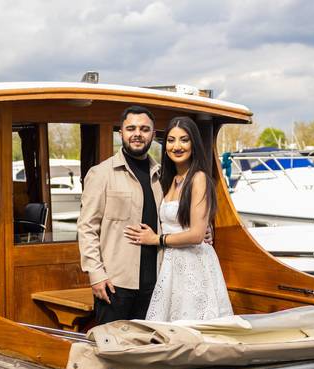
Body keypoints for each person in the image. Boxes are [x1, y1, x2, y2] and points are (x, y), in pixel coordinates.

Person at [123, 116, 233, 322]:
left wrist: (157, 239)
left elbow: (196, 235)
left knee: (191, 325)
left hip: (194, 265)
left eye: (184, 140)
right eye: (171, 140)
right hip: (171, 264)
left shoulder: (199, 178)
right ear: (165, 147)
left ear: (194, 144)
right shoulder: (169, 179)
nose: (177, 146)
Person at [77, 106, 163, 324]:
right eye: (131, 128)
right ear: (121, 133)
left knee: (147, 351)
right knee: (111, 349)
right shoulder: (101, 174)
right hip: (115, 284)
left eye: (144, 129)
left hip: (156, 283)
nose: (137, 134)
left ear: (153, 135)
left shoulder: (162, 175)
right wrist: (96, 274)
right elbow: (87, 227)